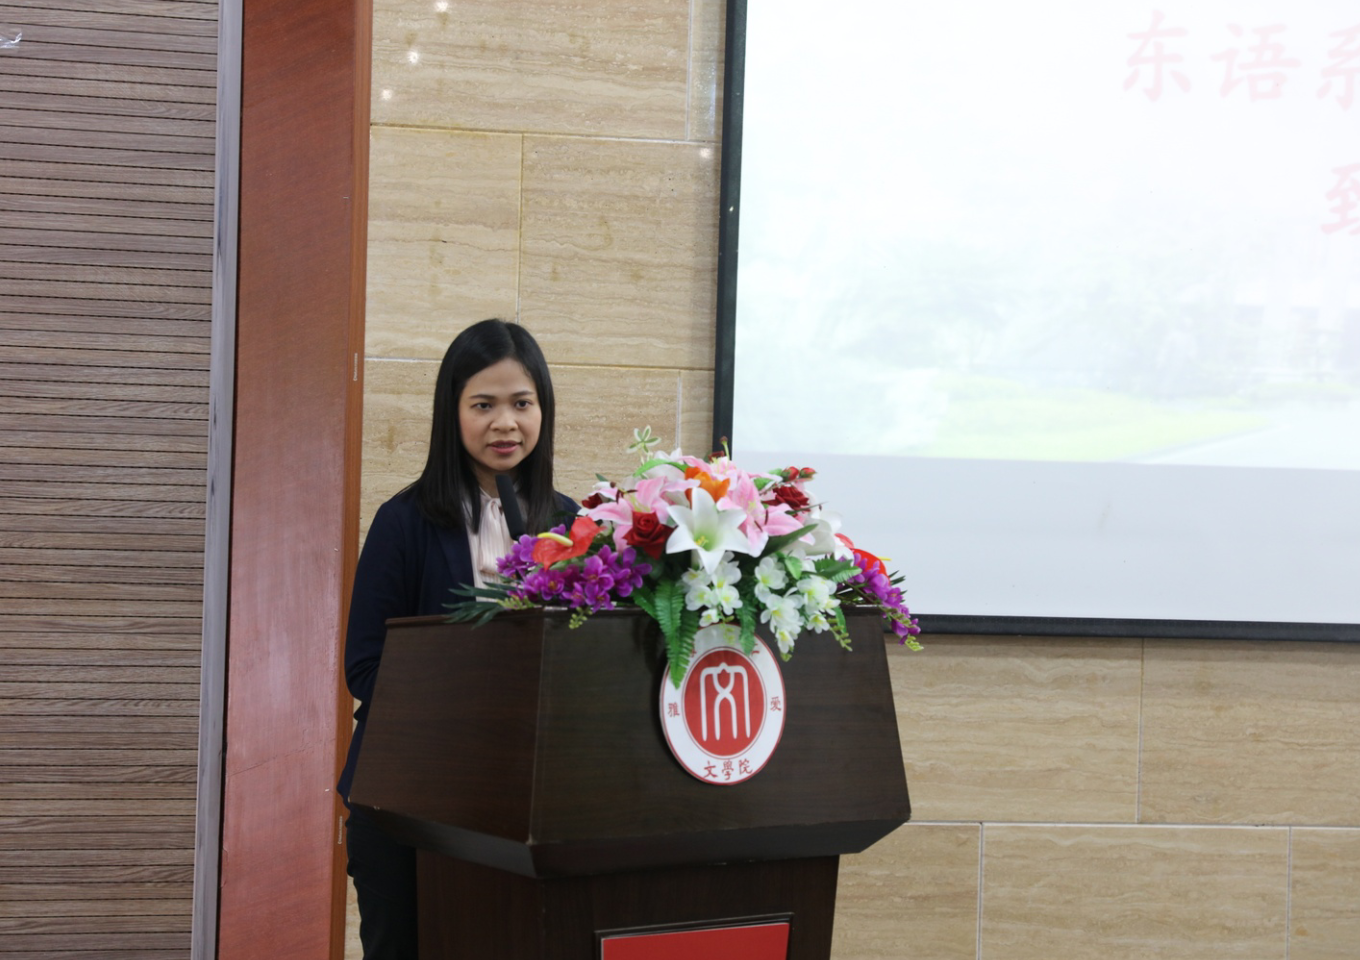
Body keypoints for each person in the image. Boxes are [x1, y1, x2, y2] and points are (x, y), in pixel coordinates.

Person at [337, 319, 576, 958]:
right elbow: (365, 667)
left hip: (529, 807)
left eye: (522, 403)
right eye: (484, 405)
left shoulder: (573, 524)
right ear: (453, 412)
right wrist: (473, 695)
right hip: (409, 798)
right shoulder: (404, 522)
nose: (506, 423)